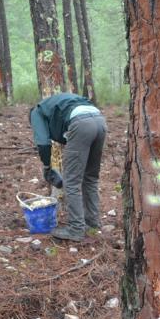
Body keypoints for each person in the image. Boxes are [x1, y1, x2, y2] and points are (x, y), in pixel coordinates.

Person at [29, 92, 107, 241]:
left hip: (81, 124)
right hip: (99, 120)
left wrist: (47, 166)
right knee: (90, 178)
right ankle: (92, 223)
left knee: (71, 182)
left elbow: (43, 143)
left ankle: (76, 229)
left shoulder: (36, 112)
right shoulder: (57, 104)